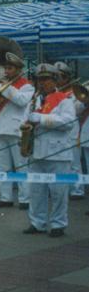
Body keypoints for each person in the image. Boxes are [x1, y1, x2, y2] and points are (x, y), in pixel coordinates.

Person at [23, 63, 76, 238]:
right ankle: (37, 222)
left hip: (57, 153)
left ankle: (58, 224)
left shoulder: (64, 100)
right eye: (39, 79)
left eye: (46, 79)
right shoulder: (34, 100)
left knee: (58, 192)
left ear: (55, 80)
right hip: (36, 151)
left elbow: (68, 122)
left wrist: (41, 118)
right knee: (36, 191)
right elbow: (26, 120)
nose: (42, 83)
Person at [0, 52, 33, 209]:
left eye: (10, 68)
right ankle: (5, 197)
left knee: (21, 166)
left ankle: (25, 199)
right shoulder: (3, 85)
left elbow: (22, 101)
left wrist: (7, 87)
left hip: (16, 129)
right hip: (1, 128)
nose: (6, 71)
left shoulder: (27, 86)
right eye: (6, 68)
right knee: (3, 167)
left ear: (19, 70)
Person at [55, 62, 84, 200]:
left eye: (59, 77)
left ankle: (77, 190)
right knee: (59, 163)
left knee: (74, 163)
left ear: (66, 78)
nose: (56, 80)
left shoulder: (75, 92)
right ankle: (63, 189)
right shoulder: (54, 92)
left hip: (72, 131)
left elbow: (78, 109)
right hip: (57, 132)